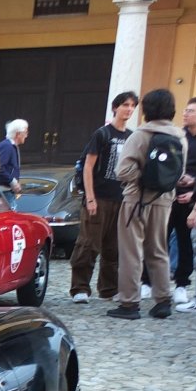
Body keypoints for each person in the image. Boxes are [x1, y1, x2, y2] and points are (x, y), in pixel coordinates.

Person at [112, 88, 187, 320]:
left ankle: (129, 303)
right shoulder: (180, 137)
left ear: (147, 109)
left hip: (137, 198)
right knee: (158, 250)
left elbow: (122, 170)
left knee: (131, 252)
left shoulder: (140, 135)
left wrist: (143, 176)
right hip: (164, 199)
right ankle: (163, 301)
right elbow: (179, 171)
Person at [70, 91, 137, 305]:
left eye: (132, 105)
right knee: (88, 244)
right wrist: (90, 197)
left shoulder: (131, 137)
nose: (129, 109)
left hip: (121, 198)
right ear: (115, 107)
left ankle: (109, 288)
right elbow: (88, 166)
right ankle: (80, 287)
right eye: (125, 104)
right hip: (99, 197)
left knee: (114, 247)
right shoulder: (102, 134)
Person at [168, 96, 196, 307]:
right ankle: (147, 281)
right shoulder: (177, 137)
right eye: (185, 110)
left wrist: (194, 190)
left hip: (193, 200)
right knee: (158, 238)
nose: (185, 113)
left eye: (192, 110)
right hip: (170, 195)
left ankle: (182, 284)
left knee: (188, 244)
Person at [0, 118, 27, 204]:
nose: (26, 135)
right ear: (18, 134)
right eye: (25, 133)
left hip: (7, 192)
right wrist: (13, 182)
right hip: (3, 193)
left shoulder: (11, 146)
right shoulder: (7, 146)